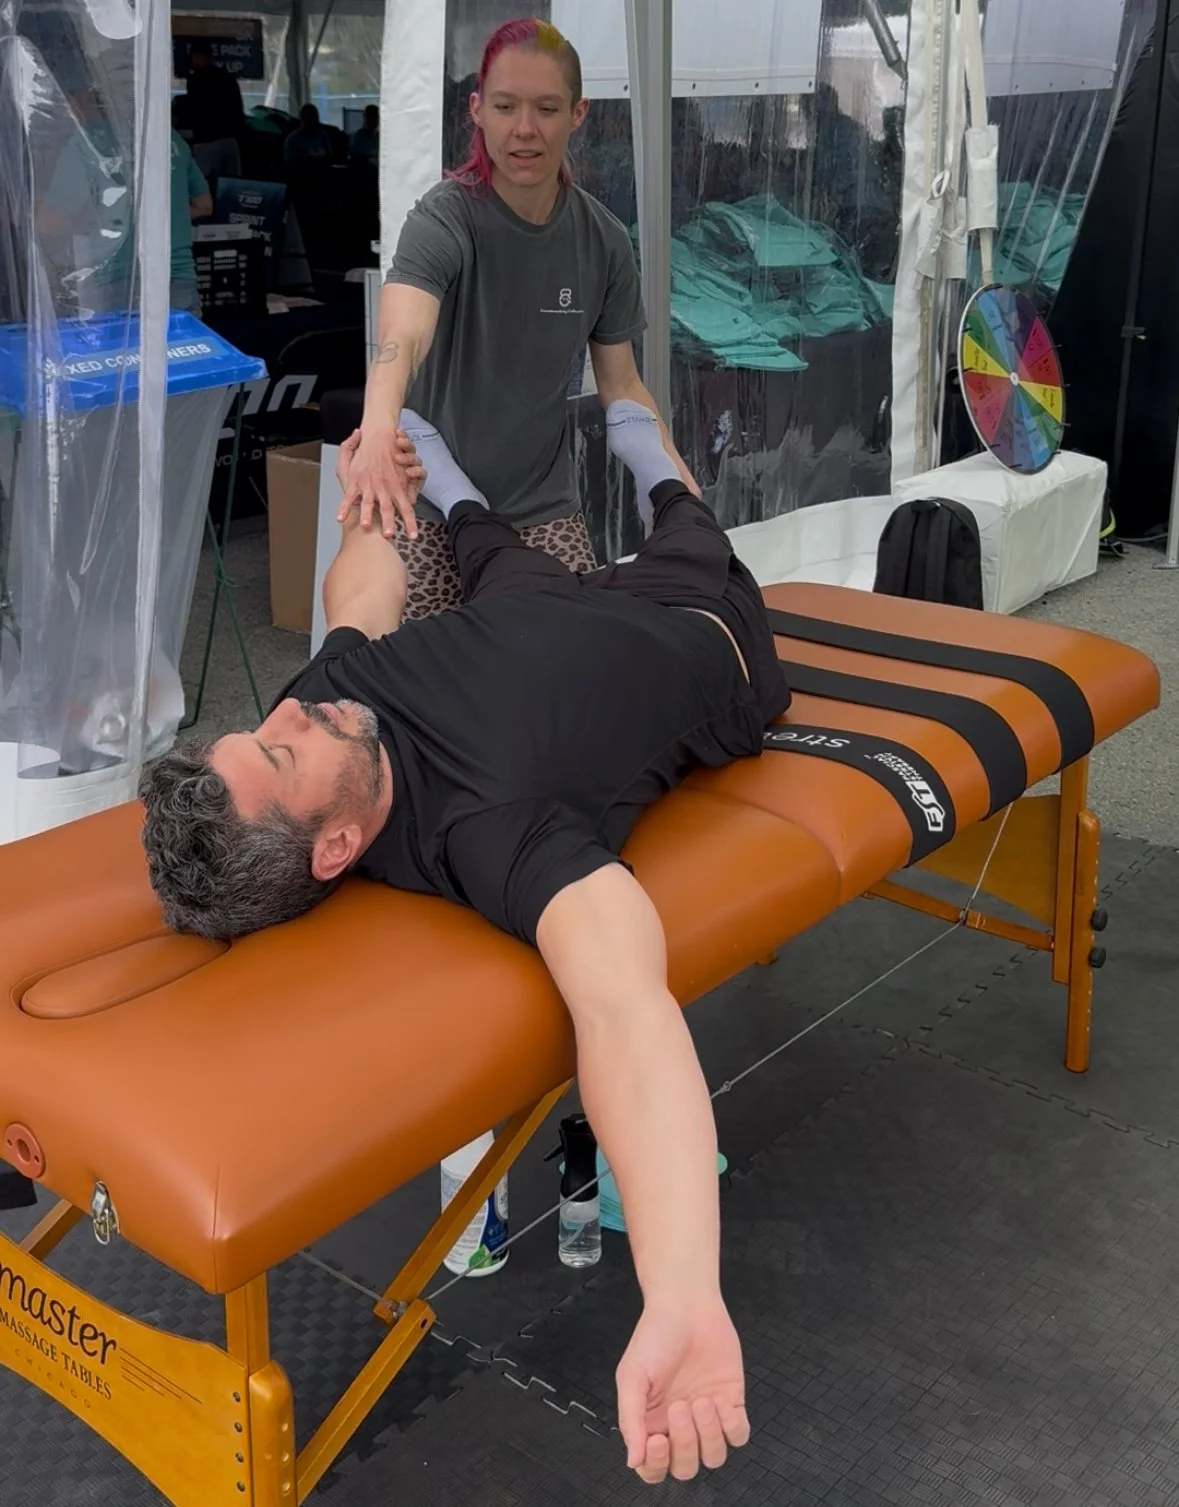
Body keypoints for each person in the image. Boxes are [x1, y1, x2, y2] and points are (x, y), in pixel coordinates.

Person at [140, 403, 790, 1485]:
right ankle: (655, 469)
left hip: (526, 606)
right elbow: (625, 1010)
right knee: (690, 523)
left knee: (490, 552)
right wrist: (683, 1290)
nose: (298, 712)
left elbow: (361, 600)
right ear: (339, 847)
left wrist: (370, 501)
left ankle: (452, 491)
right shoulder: (495, 830)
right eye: (285, 753)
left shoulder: (328, 713)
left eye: (267, 729)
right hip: (691, 624)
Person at [338, 17, 696, 618]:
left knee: (568, 667)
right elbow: (401, 338)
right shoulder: (444, 218)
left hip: (542, 509)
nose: (524, 130)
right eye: (505, 106)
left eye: (547, 109)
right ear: (477, 109)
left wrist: (677, 491)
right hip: (423, 500)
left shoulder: (603, 241)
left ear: (578, 114)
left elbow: (623, 386)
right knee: (413, 675)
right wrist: (376, 432)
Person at [184, 42, 245, 185]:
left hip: (206, 141)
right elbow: (238, 109)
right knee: (230, 186)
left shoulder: (195, 80)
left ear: (196, 57)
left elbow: (194, 109)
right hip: (229, 139)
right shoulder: (228, 78)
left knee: (205, 186)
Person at [170, 127, 212, 317]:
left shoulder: (97, 138)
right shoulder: (175, 140)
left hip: (120, 276)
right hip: (179, 269)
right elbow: (205, 205)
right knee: (184, 342)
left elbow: (68, 218)